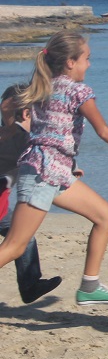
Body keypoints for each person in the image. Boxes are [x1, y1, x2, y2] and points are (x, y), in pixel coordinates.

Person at [0, 31, 108, 305]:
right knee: (15, 246)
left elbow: (12, 107)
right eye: (87, 58)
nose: (89, 64)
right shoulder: (79, 91)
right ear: (70, 62)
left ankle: (90, 287)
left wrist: (9, 127)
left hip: (56, 172)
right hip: (42, 174)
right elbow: (103, 130)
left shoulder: (42, 86)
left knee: (106, 216)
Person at [0, 83, 62, 303]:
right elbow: (44, 157)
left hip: (2, 208)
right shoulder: (21, 138)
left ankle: (30, 285)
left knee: (23, 237)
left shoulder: (10, 135)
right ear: (26, 113)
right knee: (21, 237)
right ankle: (30, 285)